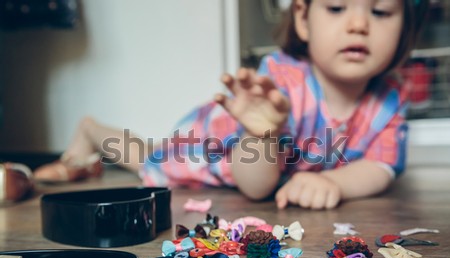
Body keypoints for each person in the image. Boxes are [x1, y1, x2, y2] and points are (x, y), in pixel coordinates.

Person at [34, 0, 429, 210]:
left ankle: (93, 141)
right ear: (304, 19)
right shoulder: (279, 81)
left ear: (405, 25)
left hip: (272, 170)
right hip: (217, 149)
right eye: (337, 8)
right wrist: (263, 133)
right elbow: (256, 186)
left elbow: (381, 166)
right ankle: (91, 131)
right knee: (146, 158)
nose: (358, 24)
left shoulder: (388, 100)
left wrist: (333, 183)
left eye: (379, 11)